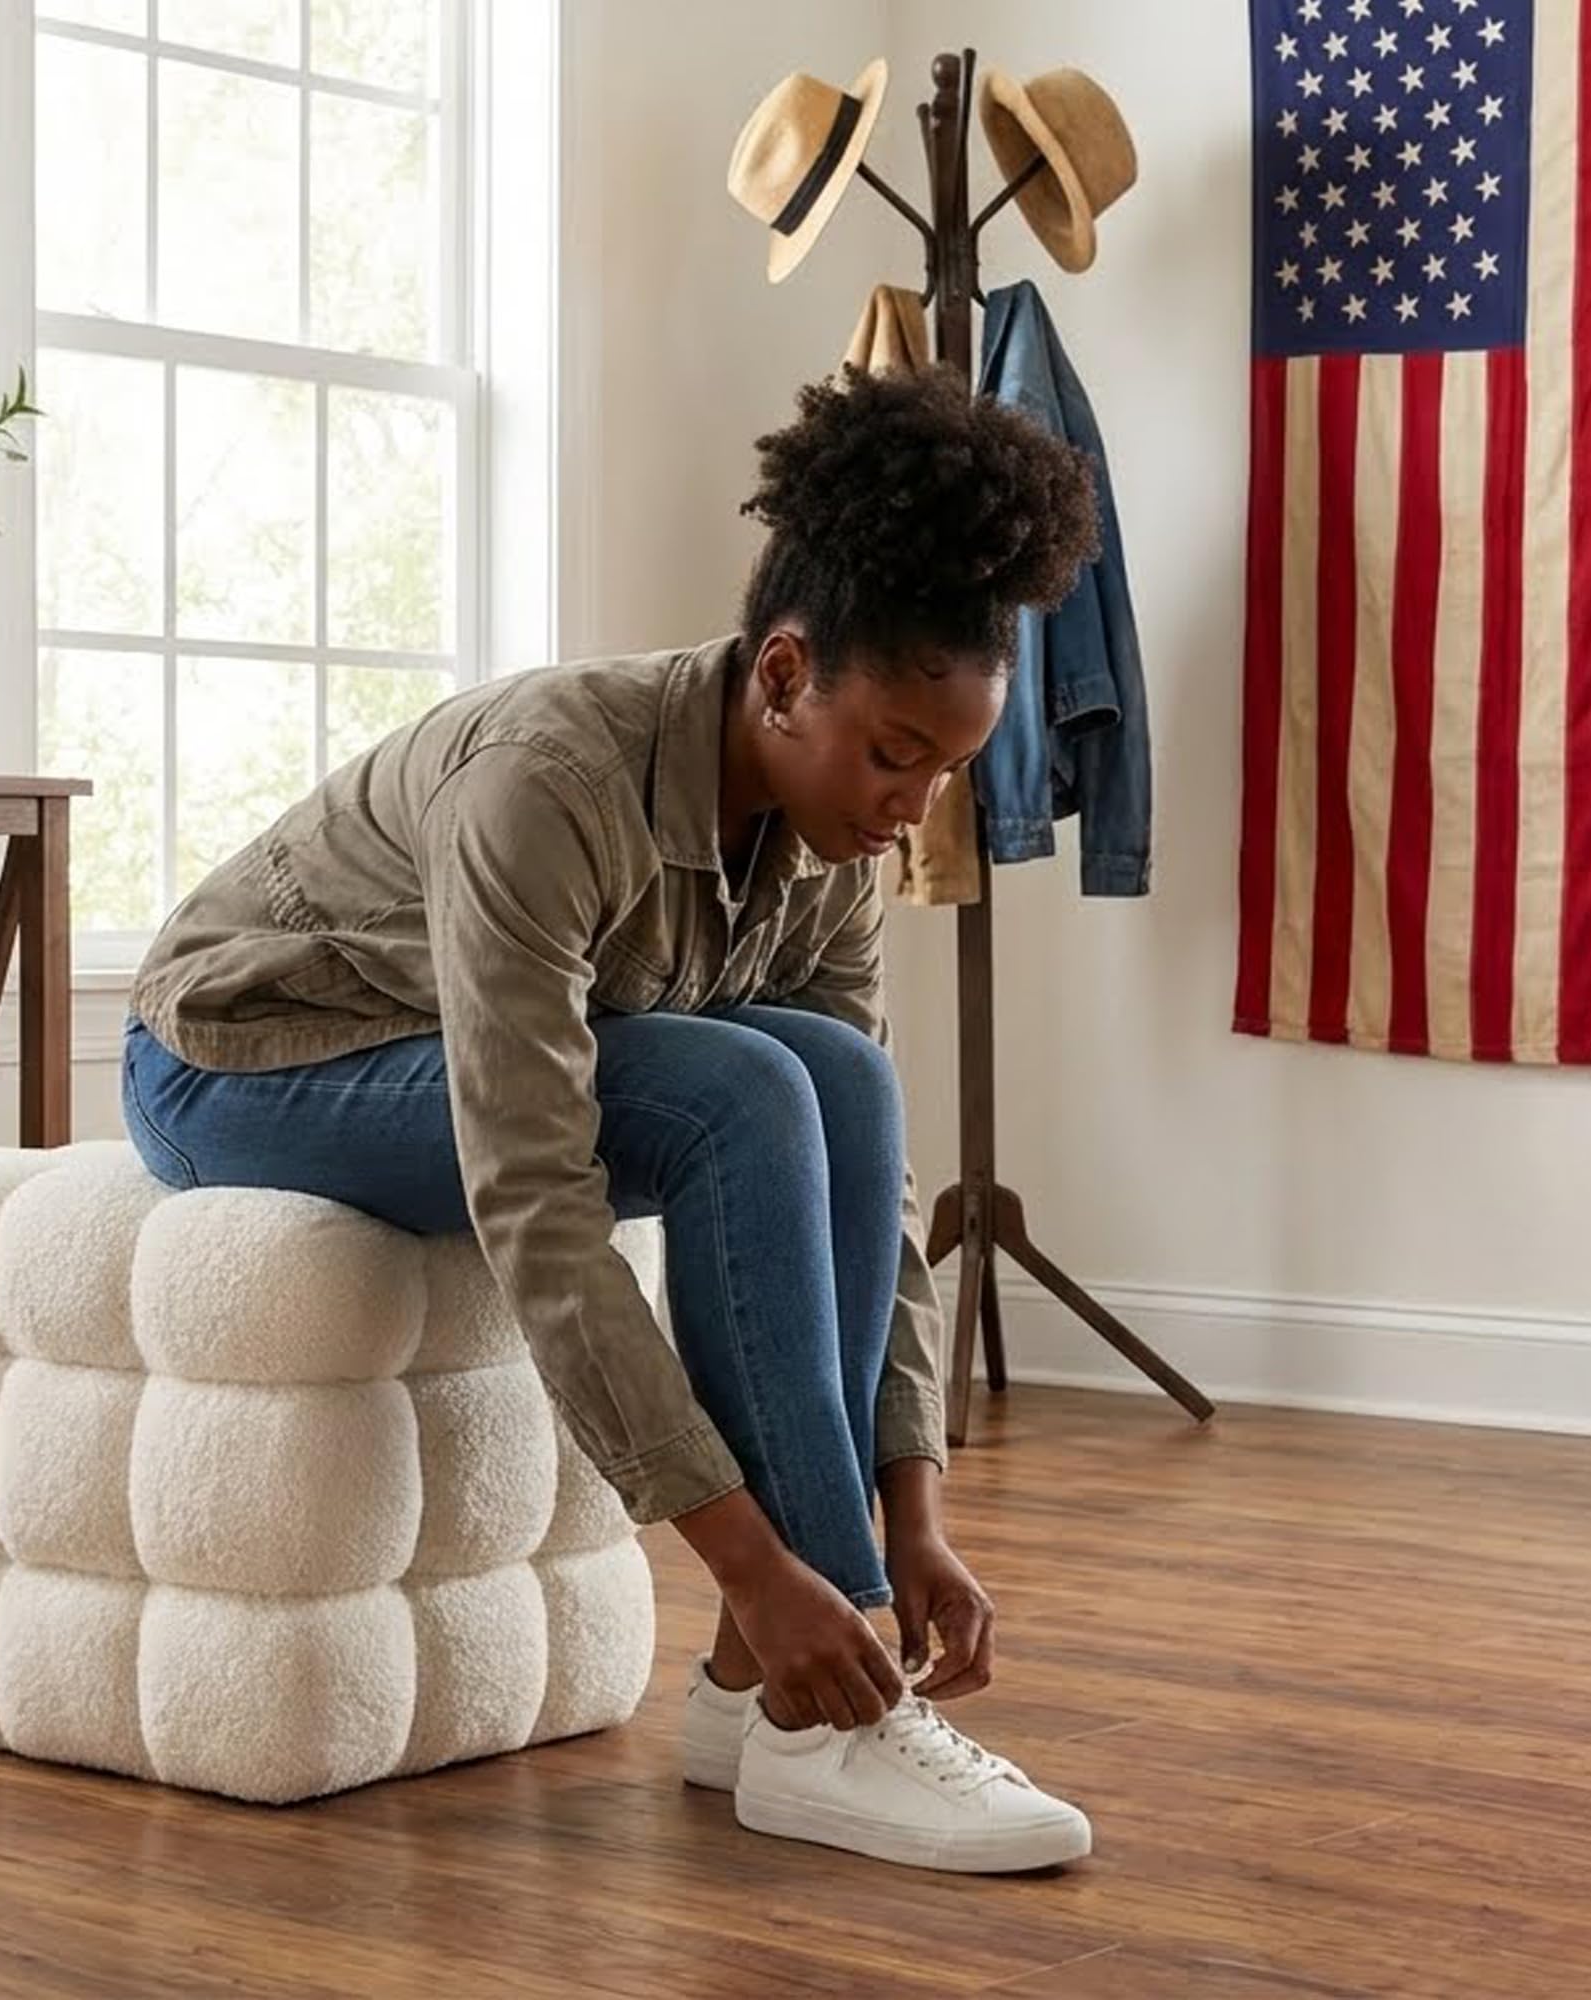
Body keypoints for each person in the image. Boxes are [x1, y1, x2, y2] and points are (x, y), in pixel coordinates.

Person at [122, 362, 1100, 1874]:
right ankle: (814, 1715)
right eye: (896, 754)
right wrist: (759, 1564)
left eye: (948, 770)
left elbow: (869, 1183)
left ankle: (744, 1698)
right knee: (747, 1086)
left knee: (838, 1080)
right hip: (239, 1065)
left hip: (425, 1054)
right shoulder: (548, 784)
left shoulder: (839, 840)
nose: (914, 806)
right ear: (782, 676)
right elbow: (538, 1198)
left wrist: (917, 1514)